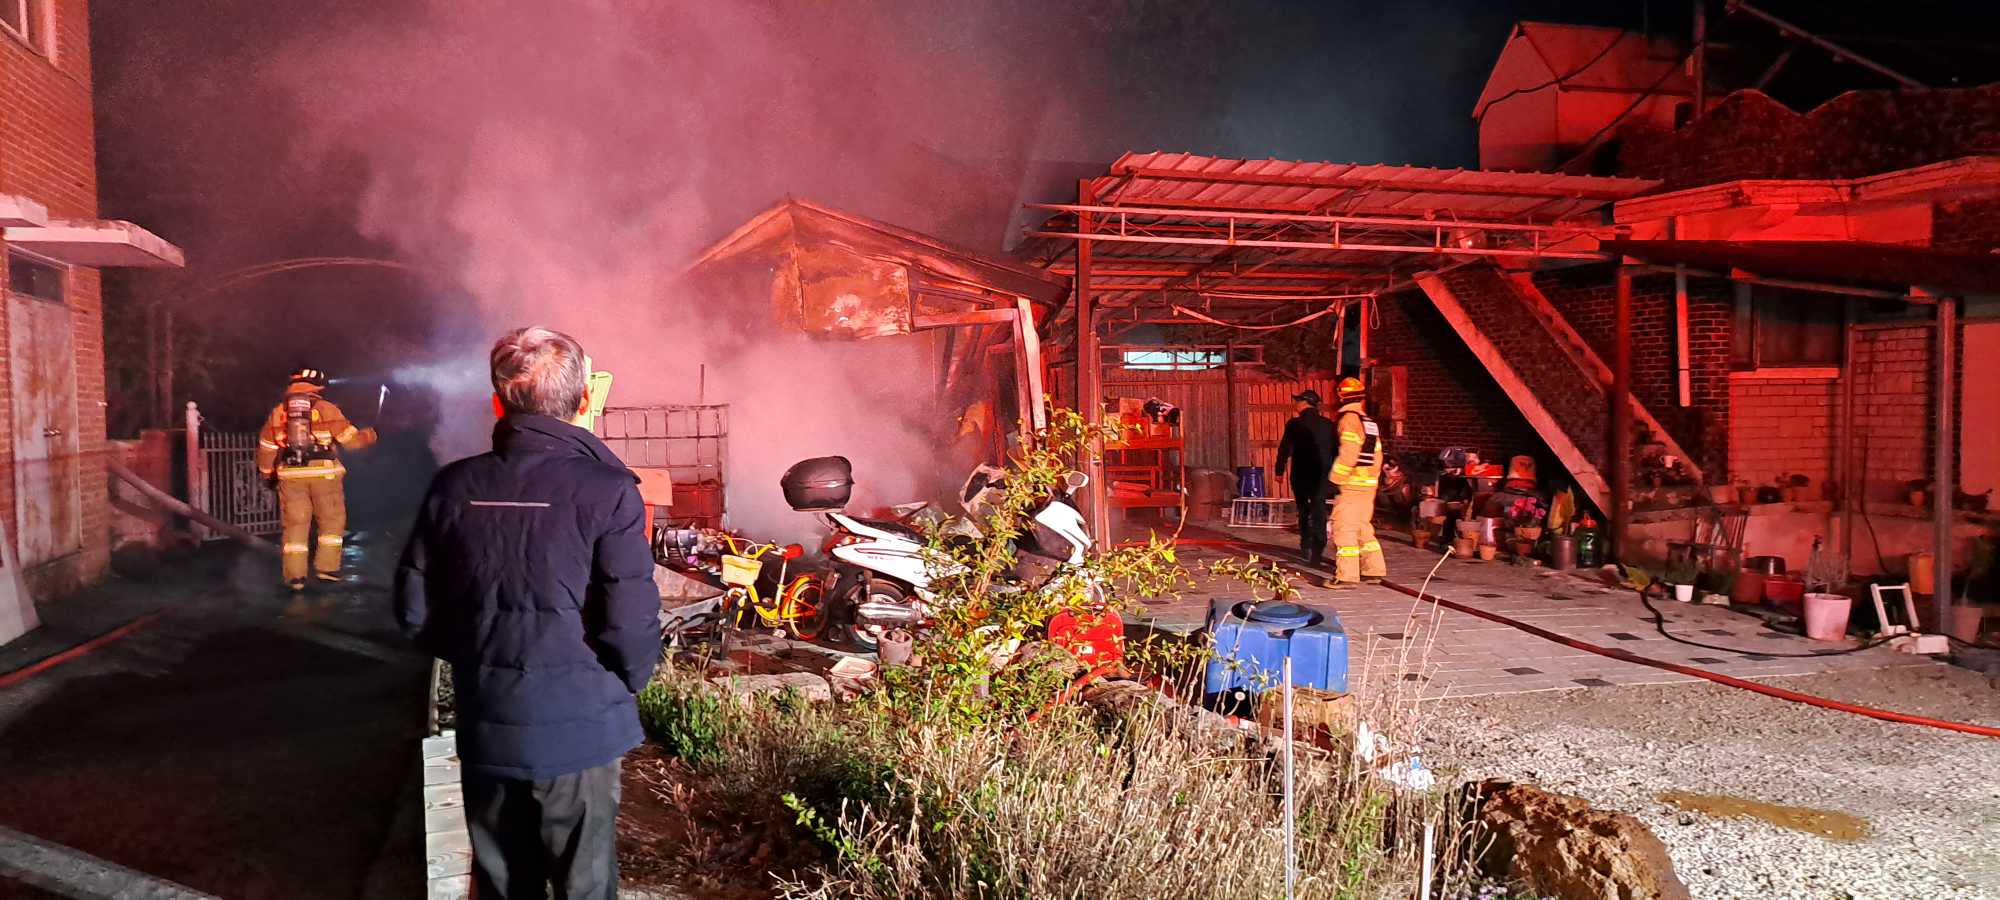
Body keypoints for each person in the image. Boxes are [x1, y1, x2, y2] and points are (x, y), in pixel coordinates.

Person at [394, 327, 661, 900]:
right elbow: (630, 622)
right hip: (582, 730)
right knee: (583, 884)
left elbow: (415, 610)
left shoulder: (453, 486)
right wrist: (629, 681)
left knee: (501, 884)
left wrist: (482, 661)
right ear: (584, 400)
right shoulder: (611, 491)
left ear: (498, 403)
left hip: (489, 726)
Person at [257, 366, 377, 590]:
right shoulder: (327, 409)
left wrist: (267, 474)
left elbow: (266, 448)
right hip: (325, 475)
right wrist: (370, 435)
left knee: (295, 525)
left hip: (291, 476)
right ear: (318, 386)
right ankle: (326, 570)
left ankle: (295, 578)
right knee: (331, 521)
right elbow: (351, 441)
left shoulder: (279, 412)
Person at [1328, 376, 1388, 587]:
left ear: (1340, 397)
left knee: (1344, 528)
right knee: (1363, 526)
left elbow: (1349, 452)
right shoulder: (1369, 422)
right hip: (1368, 485)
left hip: (1351, 484)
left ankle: (1346, 576)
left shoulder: (1348, 420)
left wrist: (1335, 479)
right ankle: (1373, 570)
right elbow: (1376, 455)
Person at [1273, 389, 1336, 565]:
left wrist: (1279, 471)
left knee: (1303, 510)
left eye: (1297, 400)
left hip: (1301, 474)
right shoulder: (1329, 425)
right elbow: (1337, 450)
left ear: (1304, 403)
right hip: (1322, 475)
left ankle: (1306, 545)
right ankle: (1318, 549)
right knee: (1319, 509)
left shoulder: (1295, 424)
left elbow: (1285, 448)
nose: (1295, 404)